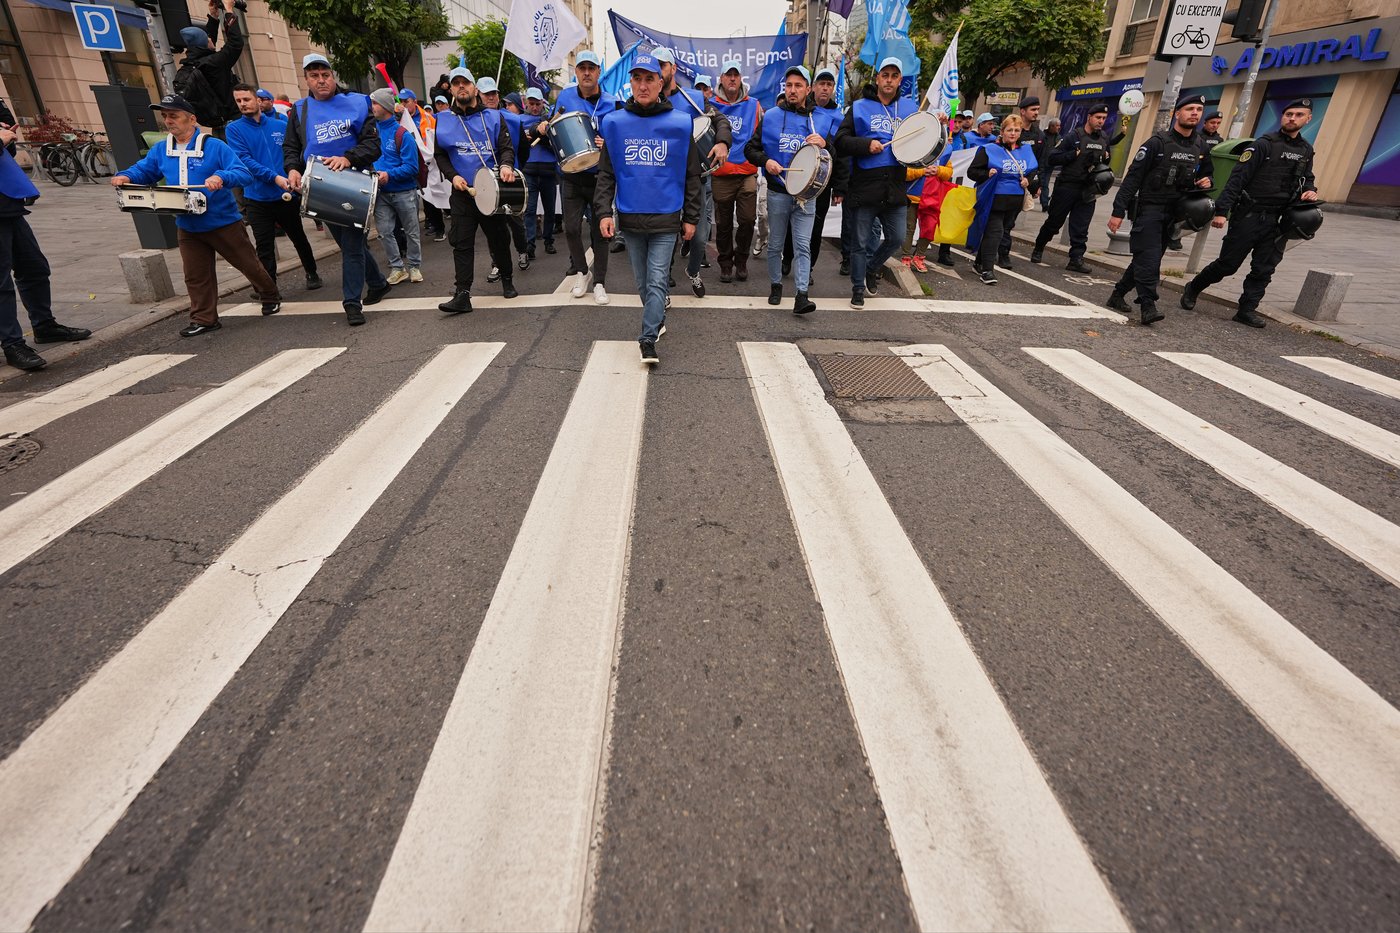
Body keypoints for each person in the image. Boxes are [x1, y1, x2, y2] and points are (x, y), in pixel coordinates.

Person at [112, 94, 280, 336]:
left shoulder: (214, 146)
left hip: (223, 222)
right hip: (188, 224)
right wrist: (126, 176)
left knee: (249, 265)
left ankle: (269, 294)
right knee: (195, 275)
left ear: (192, 119)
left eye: (174, 115)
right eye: (165, 116)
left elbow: (242, 173)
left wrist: (221, 177)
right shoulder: (161, 149)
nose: (169, 121)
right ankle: (204, 318)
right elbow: (145, 170)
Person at [595, 53, 702, 365]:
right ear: (631, 83)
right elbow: (606, 174)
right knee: (643, 284)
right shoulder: (614, 123)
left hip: (667, 219)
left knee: (656, 280)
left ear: (661, 83)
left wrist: (691, 217)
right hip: (629, 219)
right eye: (637, 79)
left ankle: (647, 339)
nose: (642, 85)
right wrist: (604, 212)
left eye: (649, 79)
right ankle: (656, 318)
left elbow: (691, 174)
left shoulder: (680, 123)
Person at [1181, 99, 1319, 328]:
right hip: (1250, 215)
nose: (1292, 118)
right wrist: (1222, 212)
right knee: (1228, 264)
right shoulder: (1263, 145)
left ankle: (1247, 309)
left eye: (1298, 115)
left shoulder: (1305, 150)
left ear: (1308, 119)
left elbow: (1308, 178)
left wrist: (1310, 191)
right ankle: (1194, 287)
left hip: (1278, 218)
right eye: (1288, 114)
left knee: (1264, 268)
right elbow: (1237, 179)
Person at [281, 53, 390, 326]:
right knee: (346, 242)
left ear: (333, 76)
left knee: (352, 246)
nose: (321, 81)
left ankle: (352, 303)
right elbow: (291, 147)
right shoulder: (300, 109)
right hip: (318, 187)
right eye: (314, 76)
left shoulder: (356, 102)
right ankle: (377, 282)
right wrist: (292, 169)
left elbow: (372, 146)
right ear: (306, 79)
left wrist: (348, 158)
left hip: (354, 185)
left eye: (325, 75)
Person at [1106, 94, 1213, 325]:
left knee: (1145, 259)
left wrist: (1207, 182)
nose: (1195, 113)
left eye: (1198, 110)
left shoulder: (1200, 146)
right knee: (1150, 259)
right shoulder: (1156, 143)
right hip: (1150, 210)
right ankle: (1148, 306)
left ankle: (1117, 295)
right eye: (1190, 109)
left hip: (1176, 213)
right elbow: (1132, 179)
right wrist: (1117, 211)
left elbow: (1207, 174)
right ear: (1178, 113)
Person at [1, 125, 91, 371]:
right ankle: (12, 344)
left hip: (9, 206)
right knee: (2, 285)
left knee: (34, 268)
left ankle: (44, 326)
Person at [531, 50, 615, 304]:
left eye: (591, 68)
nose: (587, 72)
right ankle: (582, 271)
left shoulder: (612, 103)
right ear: (576, 72)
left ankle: (599, 281)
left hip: (599, 177)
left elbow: (620, 140)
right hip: (571, 175)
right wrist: (544, 126)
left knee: (600, 232)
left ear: (599, 72)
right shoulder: (566, 95)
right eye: (582, 68)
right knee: (571, 229)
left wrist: (607, 143)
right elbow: (556, 124)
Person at [434, 66, 519, 314]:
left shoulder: (493, 117)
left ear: (474, 88)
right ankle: (462, 294)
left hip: (490, 191)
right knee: (461, 242)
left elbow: (506, 147)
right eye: (456, 83)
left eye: (466, 82)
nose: (461, 86)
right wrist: (453, 176)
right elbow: (440, 155)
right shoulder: (443, 119)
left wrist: (506, 165)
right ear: (451, 89)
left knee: (499, 239)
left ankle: (507, 280)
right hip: (462, 192)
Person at [835, 56, 919, 308]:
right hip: (865, 185)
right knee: (859, 243)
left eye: (894, 76)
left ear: (900, 81)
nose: (889, 80)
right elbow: (840, 140)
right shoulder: (859, 107)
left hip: (895, 185)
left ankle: (871, 268)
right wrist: (864, 144)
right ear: (878, 78)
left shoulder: (910, 109)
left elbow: (919, 142)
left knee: (896, 238)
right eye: (885, 75)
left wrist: (935, 130)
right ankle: (858, 288)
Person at [746, 64, 826, 314]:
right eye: (789, 85)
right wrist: (765, 161)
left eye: (798, 86)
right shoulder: (770, 116)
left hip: (807, 195)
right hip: (778, 192)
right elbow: (750, 149)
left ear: (808, 89)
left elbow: (832, 157)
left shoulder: (819, 119)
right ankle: (776, 285)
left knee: (803, 245)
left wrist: (825, 144)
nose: (792, 90)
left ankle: (802, 295)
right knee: (777, 243)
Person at [226, 84, 321, 291]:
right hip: (257, 198)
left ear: (258, 101)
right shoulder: (234, 129)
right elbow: (244, 161)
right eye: (239, 101)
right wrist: (275, 177)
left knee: (299, 238)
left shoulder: (280, 125)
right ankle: (269, 289)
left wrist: (295, 175)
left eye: (246, 99)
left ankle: (312, 272)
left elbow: (293, 153)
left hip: (286, 195)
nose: (243, 104)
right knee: (264, 246)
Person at [657, 48, 732, 297]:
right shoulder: (646, 102)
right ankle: (663, 279)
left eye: (662, 66)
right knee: (665, 235)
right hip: (663, 180)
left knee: (699, 237)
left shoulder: (694, 99)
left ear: (673, 69)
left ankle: (692, 271)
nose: (658, 71)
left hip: (694, 179)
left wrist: (722, 142)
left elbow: (721, 121)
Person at [1031, 103, 1118, 273]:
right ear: (1089, 117)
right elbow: (1052, 158)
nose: (1101, 121)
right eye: (1098, 118)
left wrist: (1106, 159)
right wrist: (1072, 155)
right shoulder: (1073, 136)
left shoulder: (1104, 138)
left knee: (1081, 226)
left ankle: (1076, 259)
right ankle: (1039, 247)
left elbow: (1104, 161)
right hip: (1067, 187)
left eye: (1104, 119)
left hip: (1088, 189)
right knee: (1054, 223)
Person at [782, 66, 845, 277]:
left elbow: (841, 154)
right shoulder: (799, 111)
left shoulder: (838, 116)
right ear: (812, 88)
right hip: (798, 178)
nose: (825, 88)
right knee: (792, 224)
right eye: (821, 84)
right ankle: (787, 257)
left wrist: (840, 186)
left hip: (822, 182)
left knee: (816, 228)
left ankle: (808, 268)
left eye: (829, 84)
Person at [708, 56, 763, 283]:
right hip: (721, 174)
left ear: (741, 79)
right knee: (722, 224)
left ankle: (741, 259)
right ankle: (725, 263)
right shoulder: (710, 105)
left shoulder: (754, 105)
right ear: (721, 78)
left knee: (748, 220)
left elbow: (762, 135)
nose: (732, 78)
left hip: (747, 172)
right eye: (728, 74)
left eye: (736, 75)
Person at [967, 114, 1039, 285]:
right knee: (996, 233)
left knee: (999, 232)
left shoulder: (1026, 151)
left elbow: (1033, 170)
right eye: (1009, 130)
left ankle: (979, 262)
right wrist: (987, 173)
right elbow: (972, 172)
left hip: (1014, 202)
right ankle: (987, 271)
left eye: (1016, 130)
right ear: (1002, 132)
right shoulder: (989, 150)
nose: (1013, 133)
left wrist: (1028, 179)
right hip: (994, 199)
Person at [368, 88, 423, 285]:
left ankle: (414, 266)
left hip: (404, 192)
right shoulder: (370, 133)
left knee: (412, 231)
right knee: (384, 232)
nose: (372, 107)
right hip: (380, 193)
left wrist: (388, 175)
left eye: (375, 103)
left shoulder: (403, 134)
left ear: (385, 107)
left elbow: (412, 167)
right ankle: (397, 268)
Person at [478, 77, 530, 276]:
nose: (491, 97)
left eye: (494, 93)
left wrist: (517, 168)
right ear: (479, 95)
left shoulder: (514, 119)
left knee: (515, 219)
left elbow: (524, 150)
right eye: (486, 94)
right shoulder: (474, 120)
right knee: (492, 224)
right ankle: (497, 262)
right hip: (486, 179)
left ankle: (522, 251)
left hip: (511, 178)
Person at [173, 0, 244, 138]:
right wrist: (229, 10)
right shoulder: (214, 63)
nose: (211, 39)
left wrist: (214, 17)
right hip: (235, 127)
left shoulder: (190, 66)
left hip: (217, 128)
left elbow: (206, 44)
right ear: (205, 43)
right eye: (208, 38)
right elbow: (236, 43)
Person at [519, 87, 558, 259]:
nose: (534, 107)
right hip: (529, 171)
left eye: (538, 103)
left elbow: (558, 143)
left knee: (550, 210)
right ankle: (530, 245)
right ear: (526, 103)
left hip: (549, 170)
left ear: (543, 103)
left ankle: (549, 240)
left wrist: (544, 139)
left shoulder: (550, 120)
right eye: (531, 103)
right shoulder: (519, 120)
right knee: (530, 209)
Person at [400, 89, 444, 241]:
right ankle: (428, 223)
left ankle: (440, 228)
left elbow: (434, 138)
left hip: (429, 162)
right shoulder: (400, 118)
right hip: (411, 161)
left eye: (406, 101)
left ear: (414, 101)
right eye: (401, 101)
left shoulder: (427, 118)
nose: (403, 105)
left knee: (432, 194)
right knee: (419, 196)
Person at [1039, 117, 1060, 210]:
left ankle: (1044, 203)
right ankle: (1043, 199)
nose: (1059, 127)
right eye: (1057, 126)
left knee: (1045, 183)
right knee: (1039, 183)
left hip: (1050, 165)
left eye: (1059, 126)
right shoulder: (1042, 135)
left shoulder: (1058, 137)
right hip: (1040, 163)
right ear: (1051, 126)